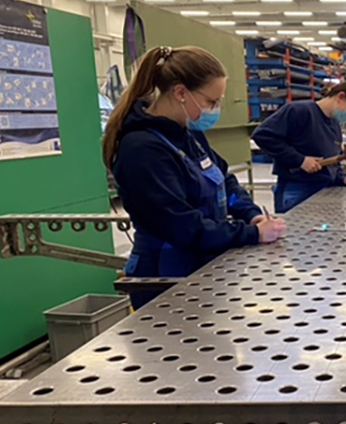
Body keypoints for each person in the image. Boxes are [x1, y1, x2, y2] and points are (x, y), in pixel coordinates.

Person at [103, 46, 286, 309]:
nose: (215, 109)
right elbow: (181, 225)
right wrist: (251, 233)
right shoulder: (142, 149)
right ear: (181, 93)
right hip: (165, 277)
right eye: (211, 102)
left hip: (204, 265)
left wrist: (251, 214)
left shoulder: (188, 133)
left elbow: (223, 180)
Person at [252, 82, 346, 214]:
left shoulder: (334, 125)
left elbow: (333, 159)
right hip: (296, 189)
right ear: (340, 97)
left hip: (323, 191)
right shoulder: (300, 111)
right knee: (293, 226)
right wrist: (300, 160)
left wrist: (343, 178)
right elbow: (263, 135)